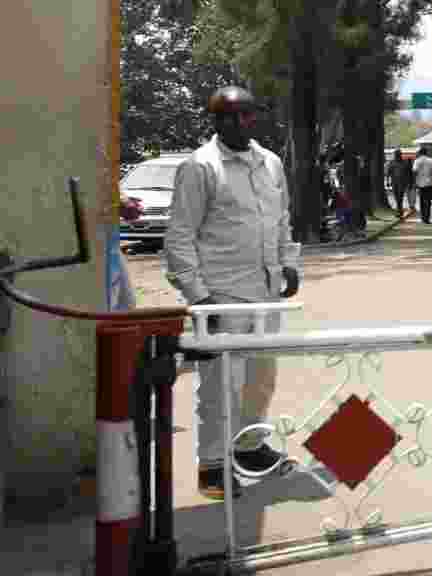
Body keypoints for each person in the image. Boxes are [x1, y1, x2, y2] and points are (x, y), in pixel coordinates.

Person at [164, 85, 302, 500]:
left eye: (245, 115)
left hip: (265, 292)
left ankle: (250, 448)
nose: (238, 123)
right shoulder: (199, 167)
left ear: (254, 117)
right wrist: (198, 296)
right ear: (215, 120)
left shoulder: (270, 163)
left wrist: (289, 262)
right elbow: (180, 236)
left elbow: (281, 220)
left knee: (261, 379)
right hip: (220, 295)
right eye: (228, 116)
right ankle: (212, 466)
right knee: (219, 386)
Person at [412, 147, 432, 223]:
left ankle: (423, 218)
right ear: (426, 153)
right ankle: (427, 218)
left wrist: (414, 182)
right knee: (428, 201)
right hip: (429, 183)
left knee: (422, 201)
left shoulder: (417, 161)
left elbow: (414, 172)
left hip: (420, 184)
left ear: (420, 153)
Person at [388, 149, 408, 217]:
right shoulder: (392, 162)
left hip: (402, 183)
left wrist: (409, 182)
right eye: (396, 155)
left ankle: (399, 211)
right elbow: (388, 172)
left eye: (398, 154)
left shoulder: (404, 162)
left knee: (400, 197)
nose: (397, 156)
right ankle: (400, 210)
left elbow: (408, 173)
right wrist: (388, 181)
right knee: (396, 197)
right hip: (394, 182)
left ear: (400, 155)